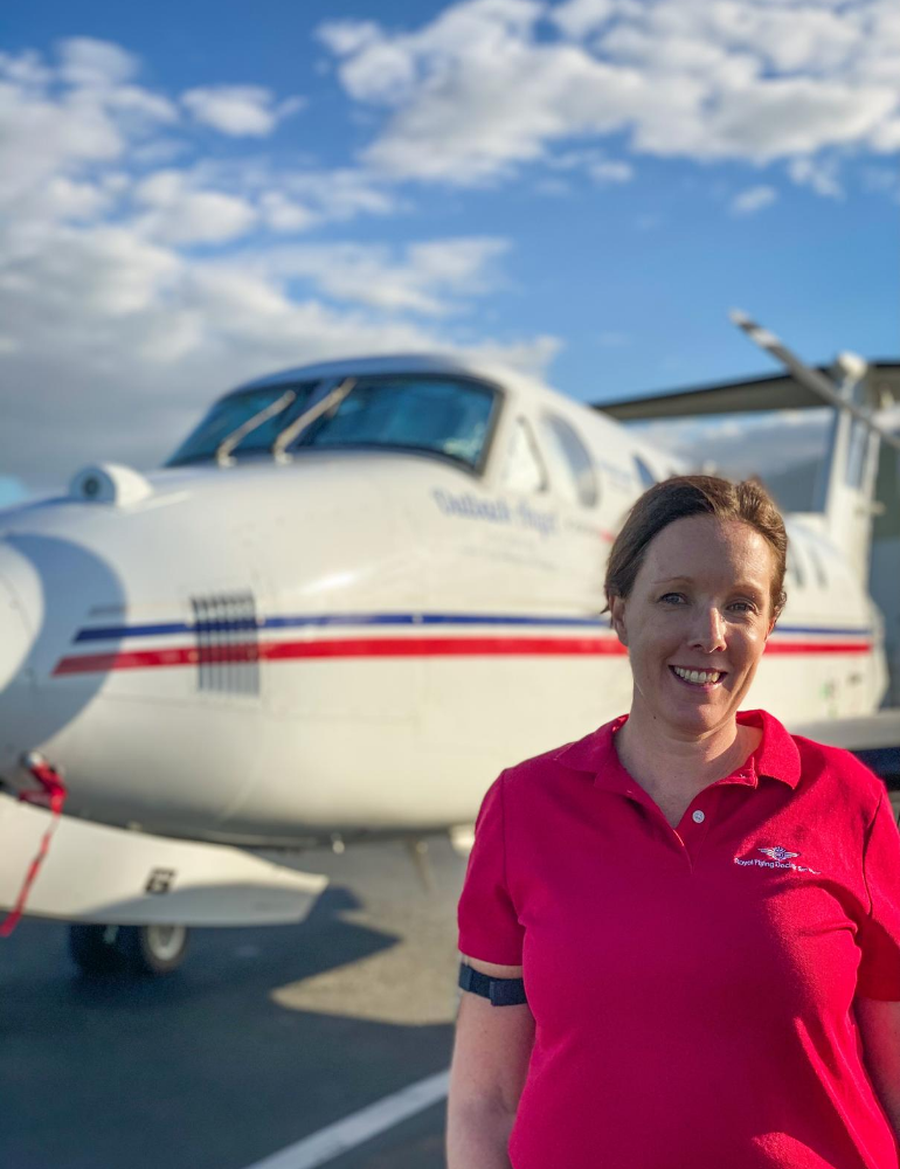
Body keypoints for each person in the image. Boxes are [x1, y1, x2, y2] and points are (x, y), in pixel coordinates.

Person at [446, 474, 900, 1169]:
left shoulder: (848, 799)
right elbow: (485, 1098)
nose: (709, 634)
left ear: (768, 624)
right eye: (675, 597)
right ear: (620, 610)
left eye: (740, 604)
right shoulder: (523, 807)